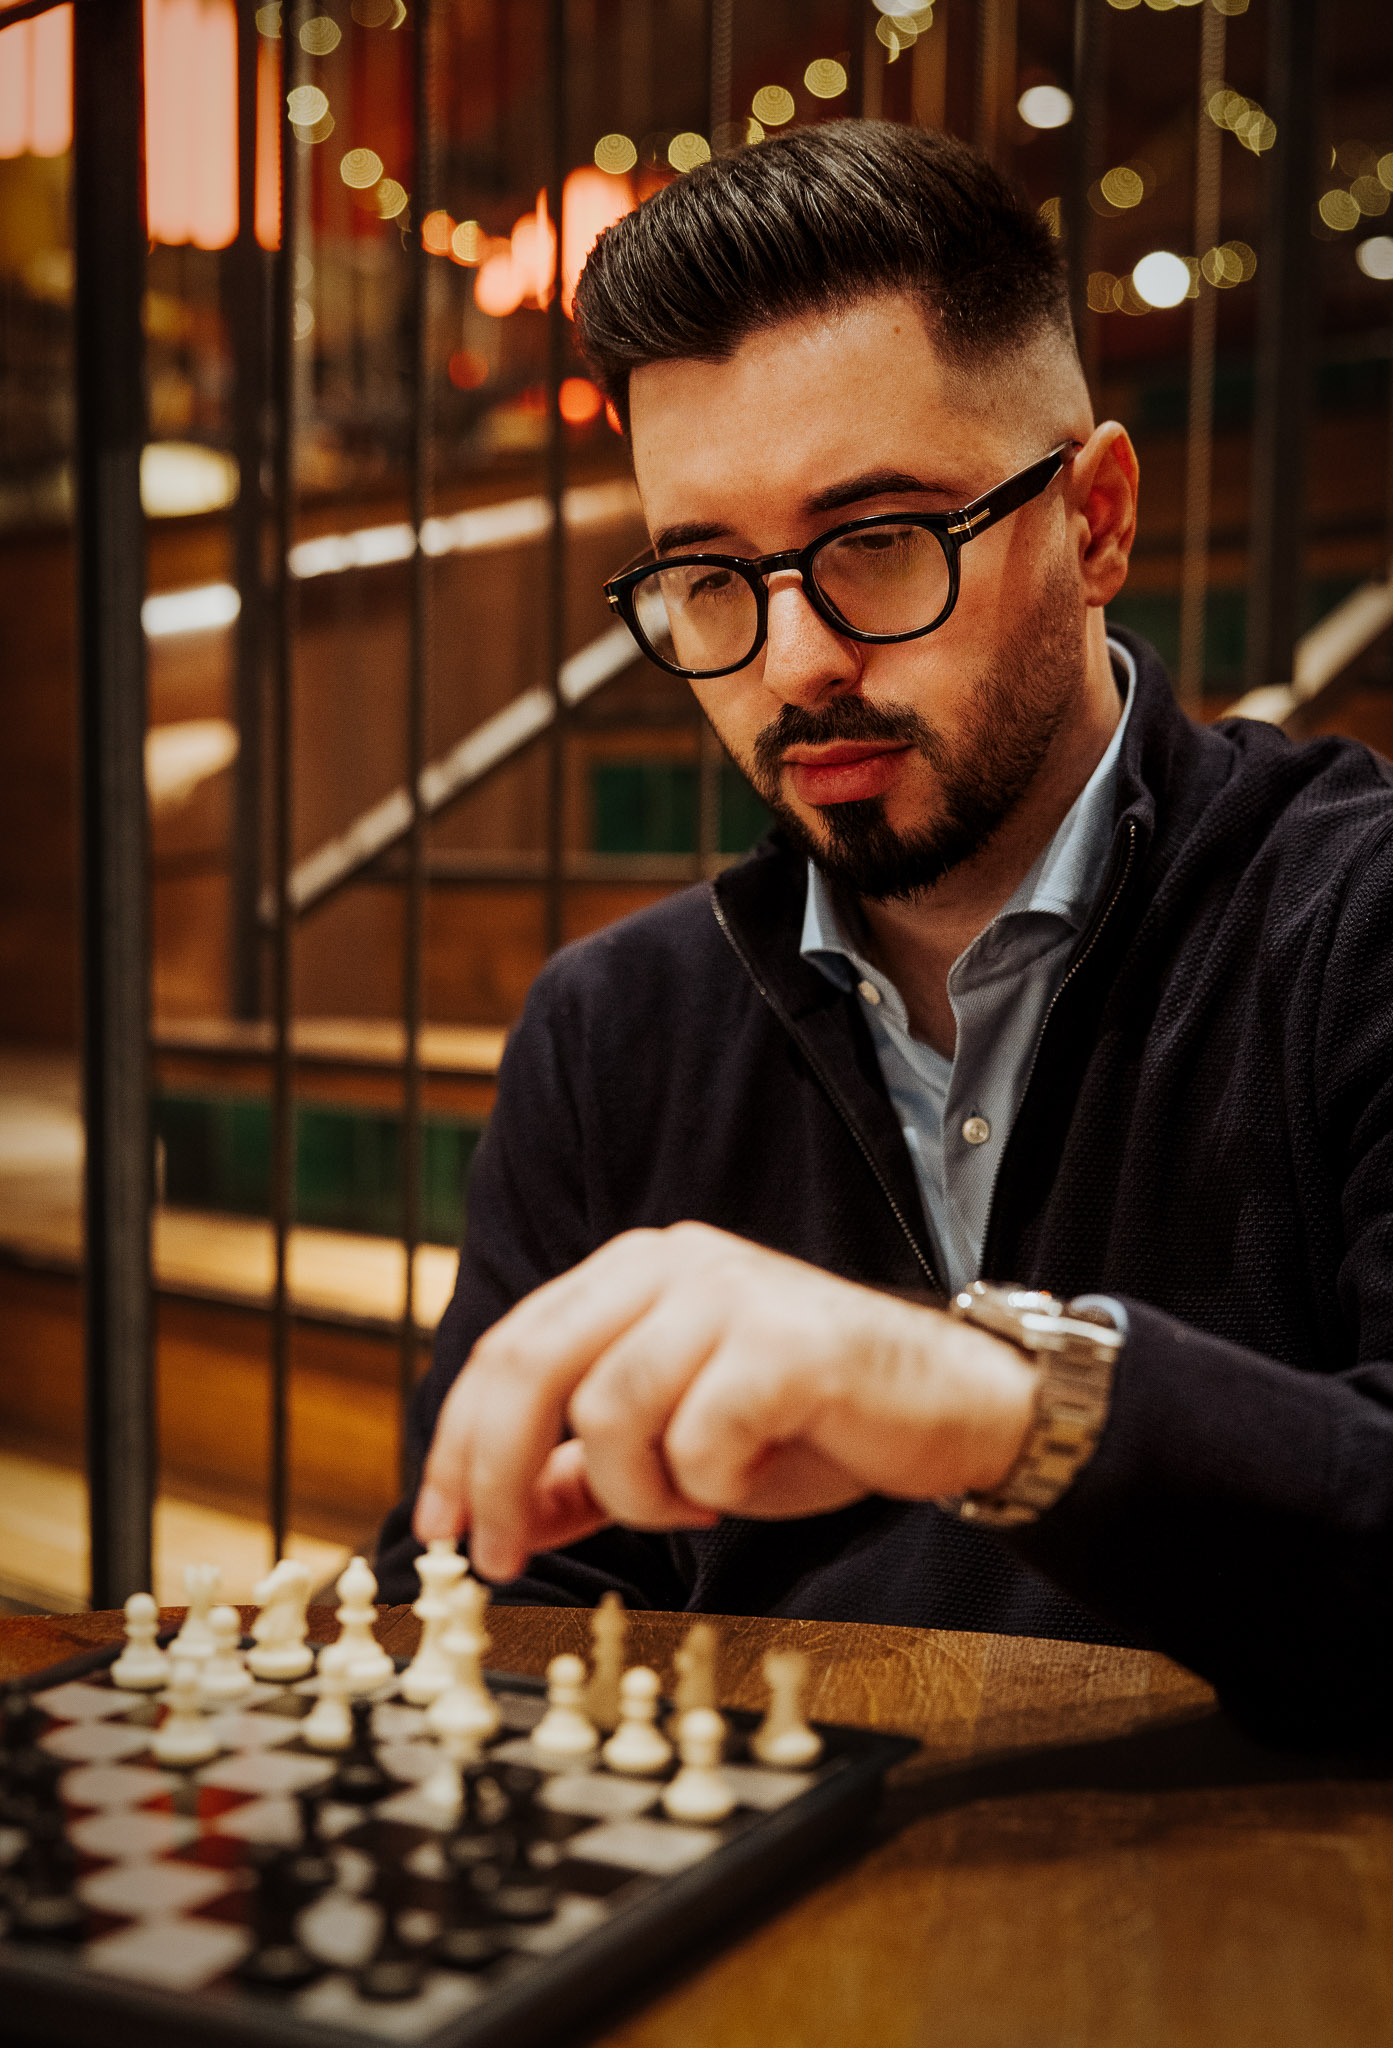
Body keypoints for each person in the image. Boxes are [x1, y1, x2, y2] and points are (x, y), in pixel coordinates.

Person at [377, 122, 1393, 1749]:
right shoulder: (610, 1028)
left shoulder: (1353, 917)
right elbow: (495, 1594)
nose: (792, 662)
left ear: (1096, 519)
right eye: (707, 574)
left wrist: (971, 1397)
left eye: (873, 540)